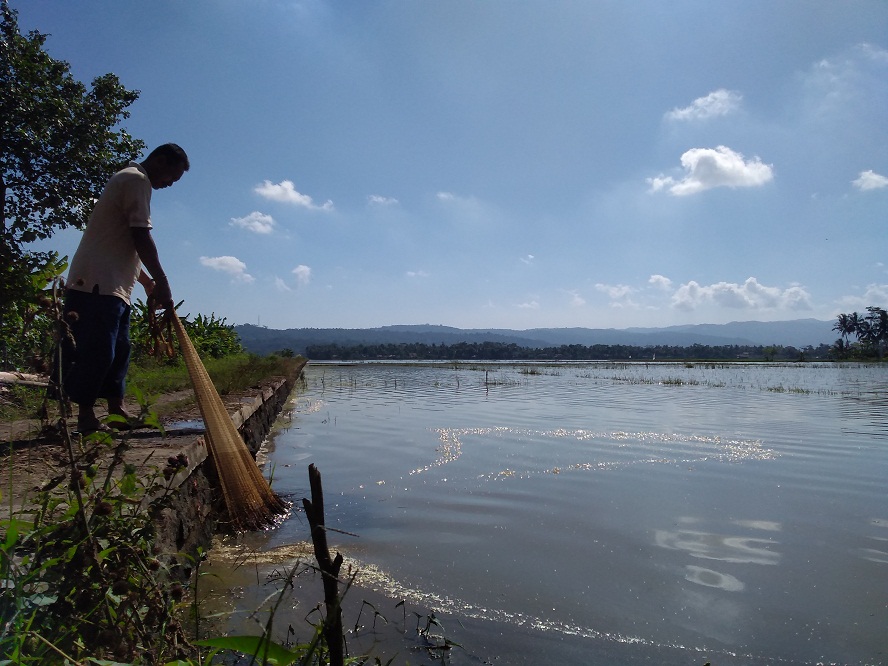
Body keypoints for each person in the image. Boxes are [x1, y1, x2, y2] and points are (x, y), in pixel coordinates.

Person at [61, 143, 189, 434]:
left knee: (119, 349)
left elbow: (126, 245)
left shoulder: (134, 180)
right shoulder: (136, 179)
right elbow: (141, 236)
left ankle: (117, 411)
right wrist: (163, 281)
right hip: (96, 283)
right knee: (98, 351)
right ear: (159, 161)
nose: (169, 184)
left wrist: (147, 283)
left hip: (114, 286)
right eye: (172, 176)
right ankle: (86, 417)